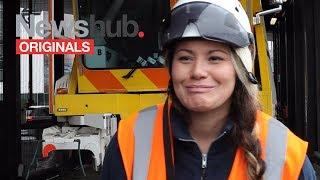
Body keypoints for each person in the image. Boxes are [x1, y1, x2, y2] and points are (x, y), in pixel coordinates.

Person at [101, 0, 317, 179]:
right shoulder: (130, 140)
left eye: (215, 58)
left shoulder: (286, 154)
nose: (197, 71)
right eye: (185, 58)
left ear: (240, 67)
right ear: (171, 66)